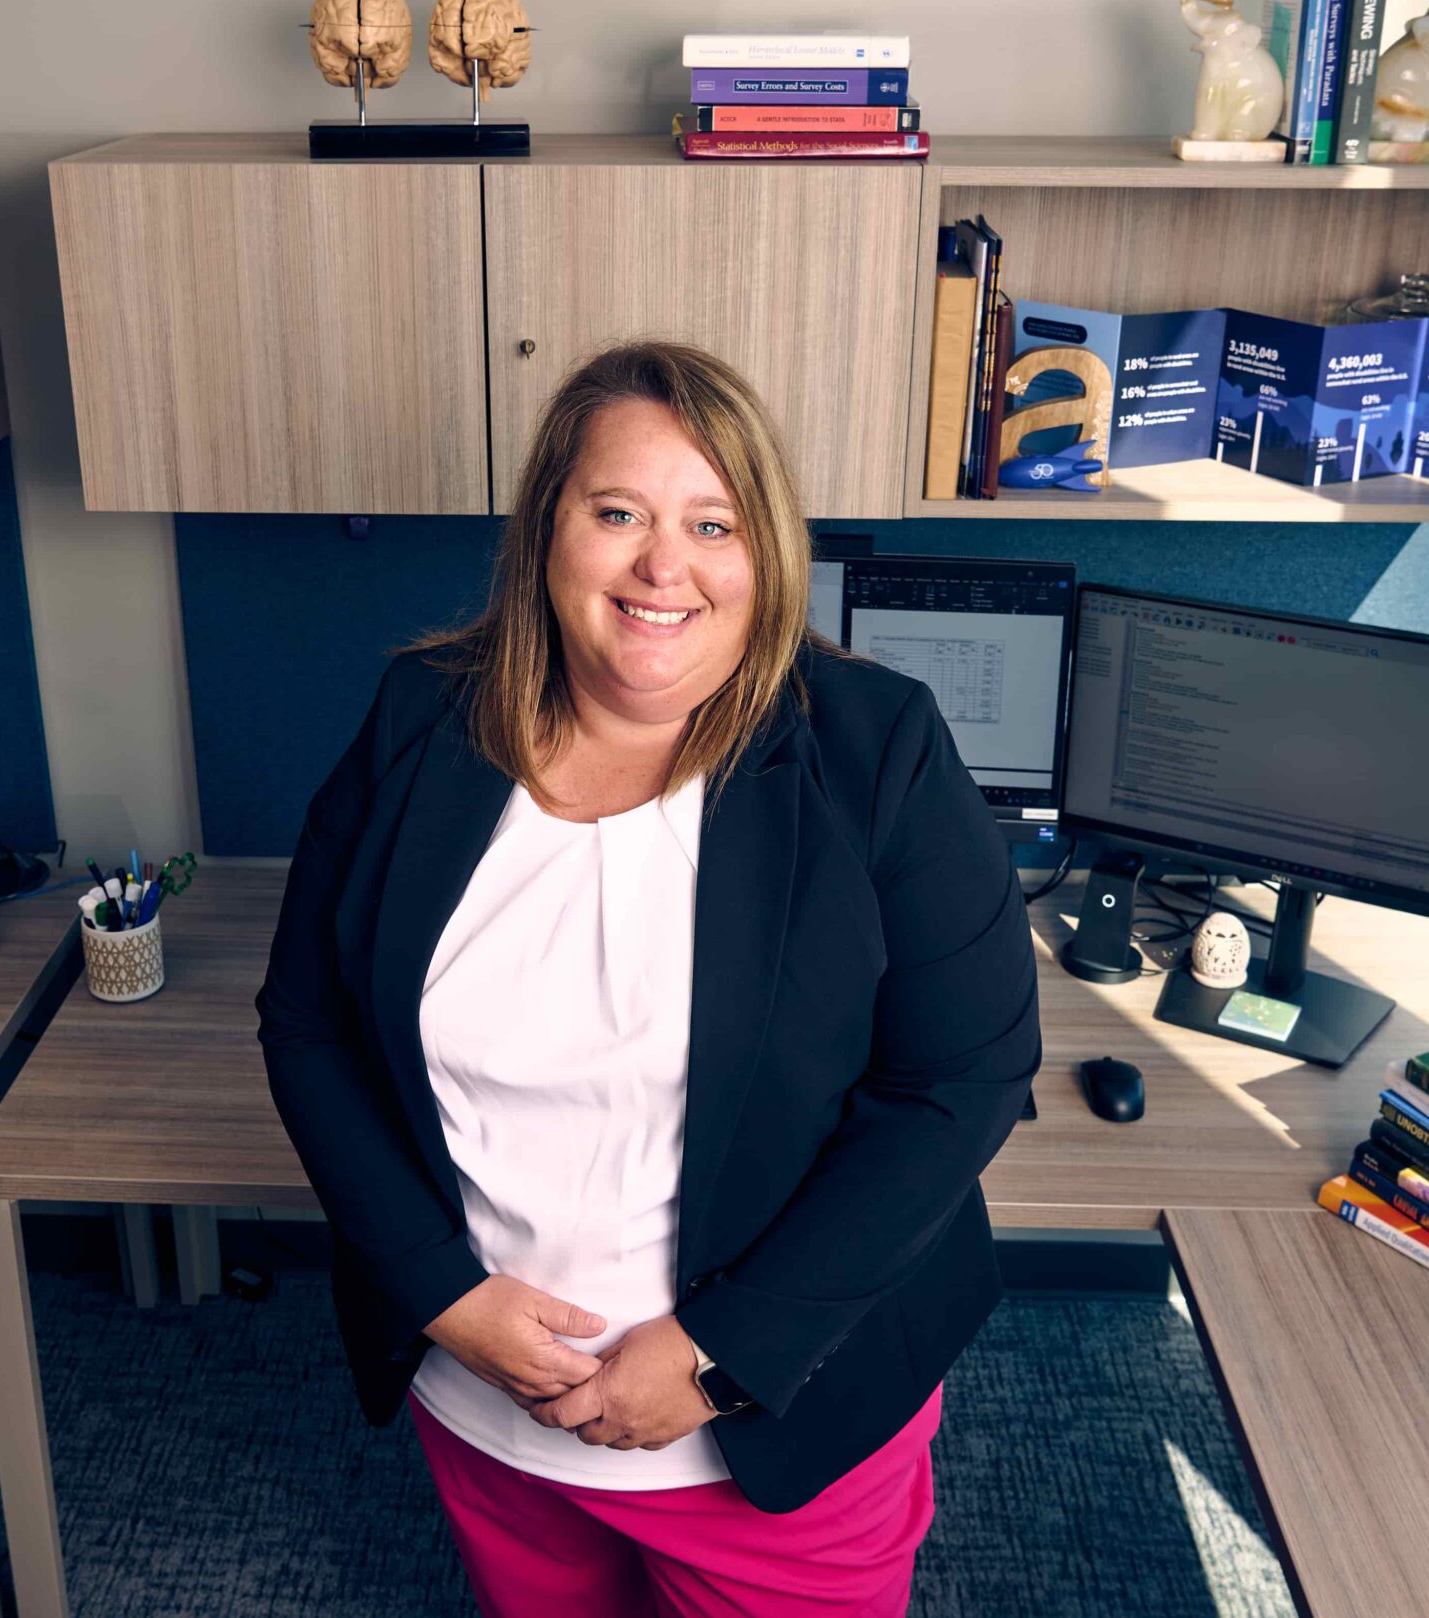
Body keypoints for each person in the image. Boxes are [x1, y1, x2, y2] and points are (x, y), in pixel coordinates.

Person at [257, 340, 1040, 1616]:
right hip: (489, 1415)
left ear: (764, 551)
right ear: (546, 533)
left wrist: (719, 1355)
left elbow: (964, 1079)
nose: (660, 566)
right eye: (616, 512)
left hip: (775, 1437)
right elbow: (308, 1026)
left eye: (710, 522)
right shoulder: (419, 717)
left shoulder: (872, 747)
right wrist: (438, 1291)